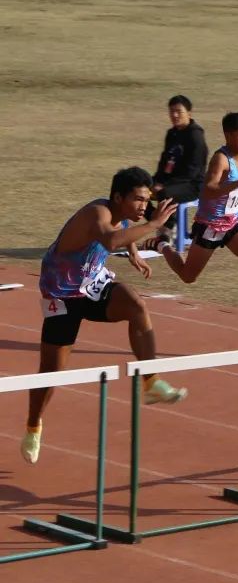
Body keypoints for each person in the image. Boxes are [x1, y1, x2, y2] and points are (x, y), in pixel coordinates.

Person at [26, 168, 188, 465]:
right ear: (118, 197)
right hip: (61, 293)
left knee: (135, 305)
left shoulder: (121, 214)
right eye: (138, 199)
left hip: (93, 285)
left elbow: (123, 232)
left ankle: (151, 383)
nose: (143, 206)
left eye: (146, 200)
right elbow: (111, 240)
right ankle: (34, 424)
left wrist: (135, 253)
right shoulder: (96, 215)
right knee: (52, 372)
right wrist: (154, 224)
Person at [143, 112, 238, 337]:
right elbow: (208, 189)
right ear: (228, 135)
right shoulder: (220, 159)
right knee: (188, 276)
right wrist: (237, 182)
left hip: (235, 223)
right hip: (211, 226)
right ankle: (162, 245)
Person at [145, 95, 208, 241]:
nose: (174, 115)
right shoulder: (172, 133)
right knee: (139, 189)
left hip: (192, 185)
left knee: (164, 193)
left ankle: (168, 230)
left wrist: (163, 185)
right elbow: (164, 161)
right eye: (172, 111)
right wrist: (155, 181)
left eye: (179, 111)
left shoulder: (195, 136)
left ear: (189, 113)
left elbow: (192, 171)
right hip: (170, 180)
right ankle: (159, 222)